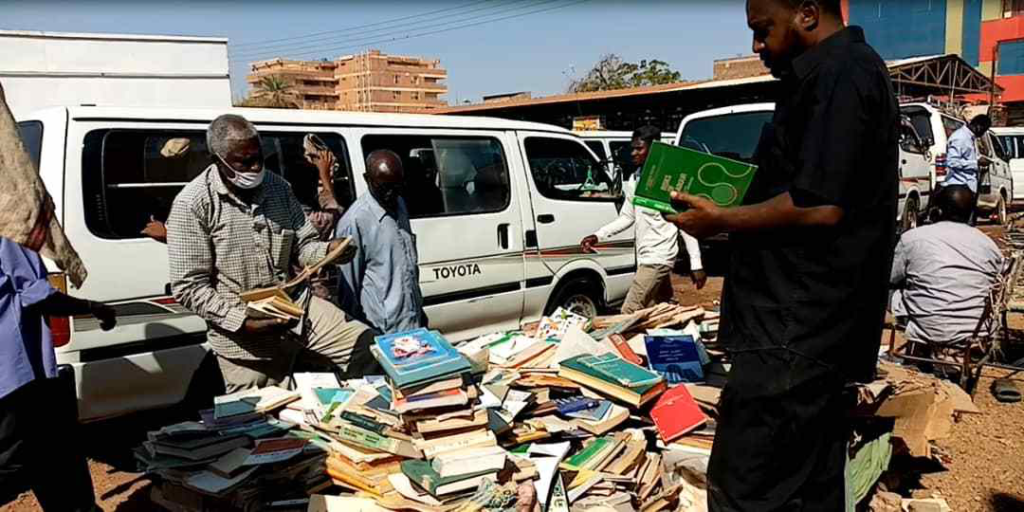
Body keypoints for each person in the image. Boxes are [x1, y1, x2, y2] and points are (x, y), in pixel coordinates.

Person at [663, 1, 898, 509]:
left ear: (807, 13)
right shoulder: (833, 73)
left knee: (743, 487)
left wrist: (722, 220)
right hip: (804, 330)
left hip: (794, 331)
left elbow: (820, 206)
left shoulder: (841, 74)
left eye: (763, 29)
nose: (757, 46)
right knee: (807, 487)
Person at [167, 114, 377, 393]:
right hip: (242, 335)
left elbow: (304, 246)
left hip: (297, 309)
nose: (255, 167)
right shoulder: (193, 204)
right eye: (244, 162)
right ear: (218, 159)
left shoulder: (278, 188)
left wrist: (330, 250)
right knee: (261, 412)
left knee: (369, 349)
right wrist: (242, 322)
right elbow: (189, 287)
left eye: (259, 158)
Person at [0, 82, 117, 512]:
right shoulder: (10, 225)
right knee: (31, 459)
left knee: (47, 457)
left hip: (17, 376)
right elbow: (36, 296)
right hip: (18, 374)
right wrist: (92, 308)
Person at [580, 126, 706, 314]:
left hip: (659, 257)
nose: (633, 153)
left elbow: (684, 223)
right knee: (663, 309)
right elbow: (627, 217)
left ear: (654, 148)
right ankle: (681, 331)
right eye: (632, 148)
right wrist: (598, 235)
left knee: (629, 311)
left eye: (639, 148)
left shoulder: (668, 181)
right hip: (644, 256)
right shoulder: (635, 179)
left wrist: (696, 264)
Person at [891, 185, 1003, 346]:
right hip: (977, 330)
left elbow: (892, 277)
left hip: (928, 328)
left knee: (893, 287)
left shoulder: (912, 238)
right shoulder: (989, 245)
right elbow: (997, 284)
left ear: (937, 211)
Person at [336, 150, 427, 335]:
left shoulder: (399, 204)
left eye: (397, 186)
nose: (391, 193)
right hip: (383, 329)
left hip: (412, 321)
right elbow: (348, 293)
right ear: (367, 179)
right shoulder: (355, 221)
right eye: (384, 187)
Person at [945, 114, 993, 194]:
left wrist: (980, 160)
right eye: (983, 131)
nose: (982, 134)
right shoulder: (960, 138)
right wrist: (976, 163)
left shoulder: (970, 138)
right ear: (978, 127)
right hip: (958, 186)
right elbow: (952, 162)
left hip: (968, 186)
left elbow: (969, 157)